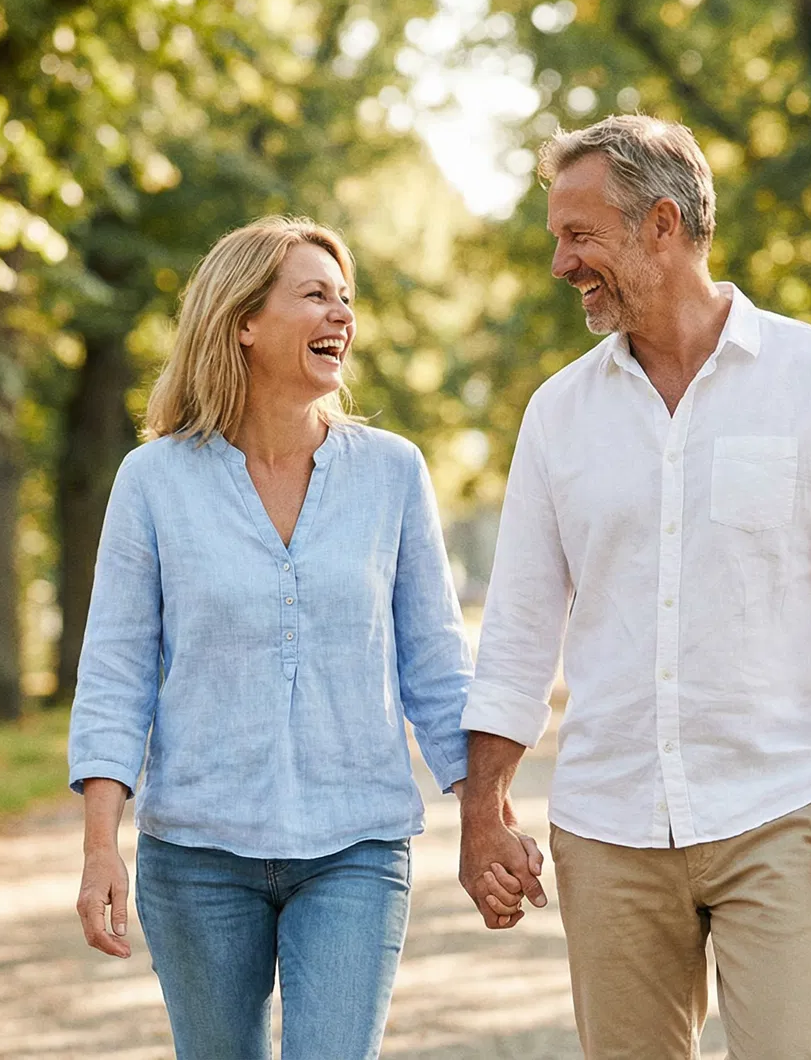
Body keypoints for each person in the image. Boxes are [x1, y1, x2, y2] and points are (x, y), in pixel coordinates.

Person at [457, 115, 811, 1059]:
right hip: (609, 822)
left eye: (579, 235)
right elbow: (516, 634)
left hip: (780, 805)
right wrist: (482, 813)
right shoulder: (558, 416)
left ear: (662, 224)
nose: (562, 263)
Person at [67, 216, 496, 1060]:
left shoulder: (393, 472)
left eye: (346, 299)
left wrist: (485, 812)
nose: (341, 315)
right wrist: (98, 850)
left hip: (355, 844)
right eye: (314, 295)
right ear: (242, 322)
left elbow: (437, 664)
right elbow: (116, 672)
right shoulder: (153, 480)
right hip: (196, 853)